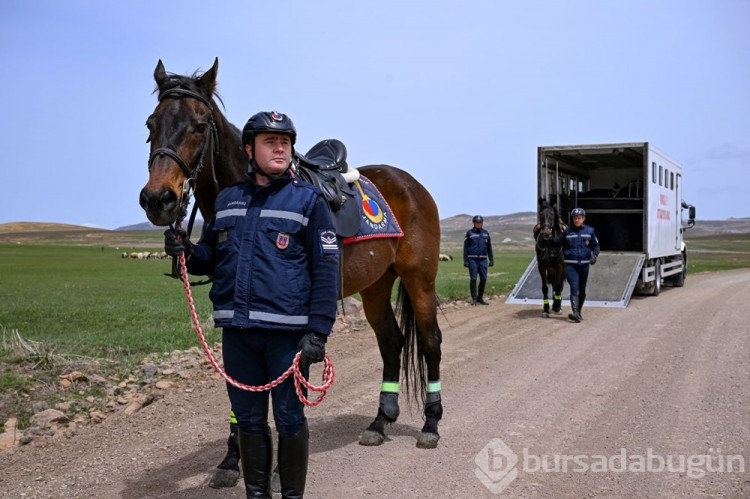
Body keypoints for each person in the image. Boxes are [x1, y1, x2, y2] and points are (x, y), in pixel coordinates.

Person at [164, 110, 340, 498]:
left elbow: (328, 271)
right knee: (248, 421)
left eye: (285, 142)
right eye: (269, 141)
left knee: (290, 420)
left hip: (288, 338)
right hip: (238, 335)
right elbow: (211, 257)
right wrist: (185, 252)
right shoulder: (227, 201)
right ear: (249, 149)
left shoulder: (309, 202)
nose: (280, 148)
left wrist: (318, 331)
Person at [554, 207, 600, 322]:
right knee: (574, 287)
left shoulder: (590, 231)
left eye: (579, 218)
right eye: (575, 218)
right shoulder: (567, 232)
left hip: (584, 266)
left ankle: (578, 312)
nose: (576, 220)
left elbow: (596, 246)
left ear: (583, 219)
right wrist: (547, 236)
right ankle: (575, 312)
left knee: (582, 290)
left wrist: (594, 255)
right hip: (571, 266)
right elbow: (556, 242)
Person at [463, 215, 494, 305]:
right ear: (474, 223)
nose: (479, 224)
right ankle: (474, 298)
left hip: (483, 260)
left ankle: (480, 298)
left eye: (480, 222)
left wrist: (491, 259)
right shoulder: (469, 233)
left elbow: (489, 247)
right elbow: (465, 248)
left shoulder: (486, 233)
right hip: (472, 259)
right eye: (477, 222)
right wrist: (465, 260)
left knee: (483, 279)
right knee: (473, 278)